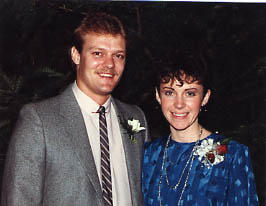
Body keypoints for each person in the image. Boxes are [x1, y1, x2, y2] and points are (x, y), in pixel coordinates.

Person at [2, 12, 148, 206]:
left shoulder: (135, 118)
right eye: (98, 53)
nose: (110, 64)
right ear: (76, 55)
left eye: (118, 55)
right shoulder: (39, 120)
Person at [142, 54, 259, 205]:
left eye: (190, 93)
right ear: (158, 96)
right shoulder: (148, 154)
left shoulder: (232, 154)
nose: (179, 104)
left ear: (205, 97)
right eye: (169, 92)